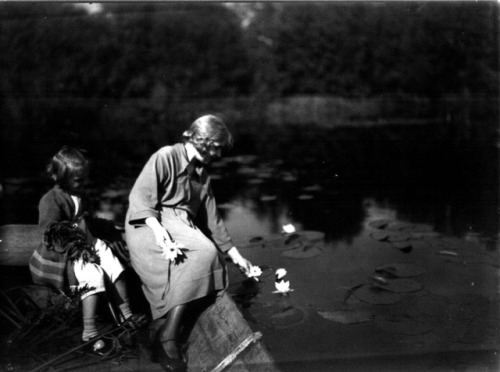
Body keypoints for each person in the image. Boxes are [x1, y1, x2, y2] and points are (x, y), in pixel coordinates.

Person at [125, 114, 257, 371]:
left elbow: (213, 220)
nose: (218, 155)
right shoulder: (166, 156)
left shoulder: (202, 175)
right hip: (149, 223)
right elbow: (140, 198)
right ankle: (168, 335)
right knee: (203, 253)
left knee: (211, 254)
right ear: (205, 141)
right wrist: (159, 232)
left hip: (180, 226)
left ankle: (164, 327)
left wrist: (237, 256)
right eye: (217, 148)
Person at [29, 146, 140, 351]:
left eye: (85, 178)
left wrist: (108, 227)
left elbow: (88, 220)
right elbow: (50, 231)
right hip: (67, 249)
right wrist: (76, 247)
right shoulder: (50, 200)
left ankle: (126, 315)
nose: (84, 183)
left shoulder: (80, 194)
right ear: (61, 178)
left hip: (87, 241)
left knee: (115, 267)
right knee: (93, 276)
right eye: (79, 180)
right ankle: (89, 332)